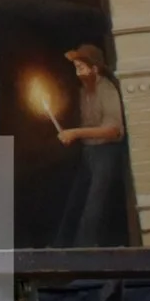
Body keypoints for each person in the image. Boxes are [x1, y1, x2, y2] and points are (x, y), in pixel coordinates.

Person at [54, 43, 129, 247]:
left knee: (93, 208)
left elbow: (112, 131)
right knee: (75, 204)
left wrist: (75, 133)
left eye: (81, 68)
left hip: (106, 153)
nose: (77, 73)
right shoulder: (83, 92)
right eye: (76, 68)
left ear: (94, 69)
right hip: (90, 153)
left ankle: (85, 253)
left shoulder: (107, 90)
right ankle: (61, 250)